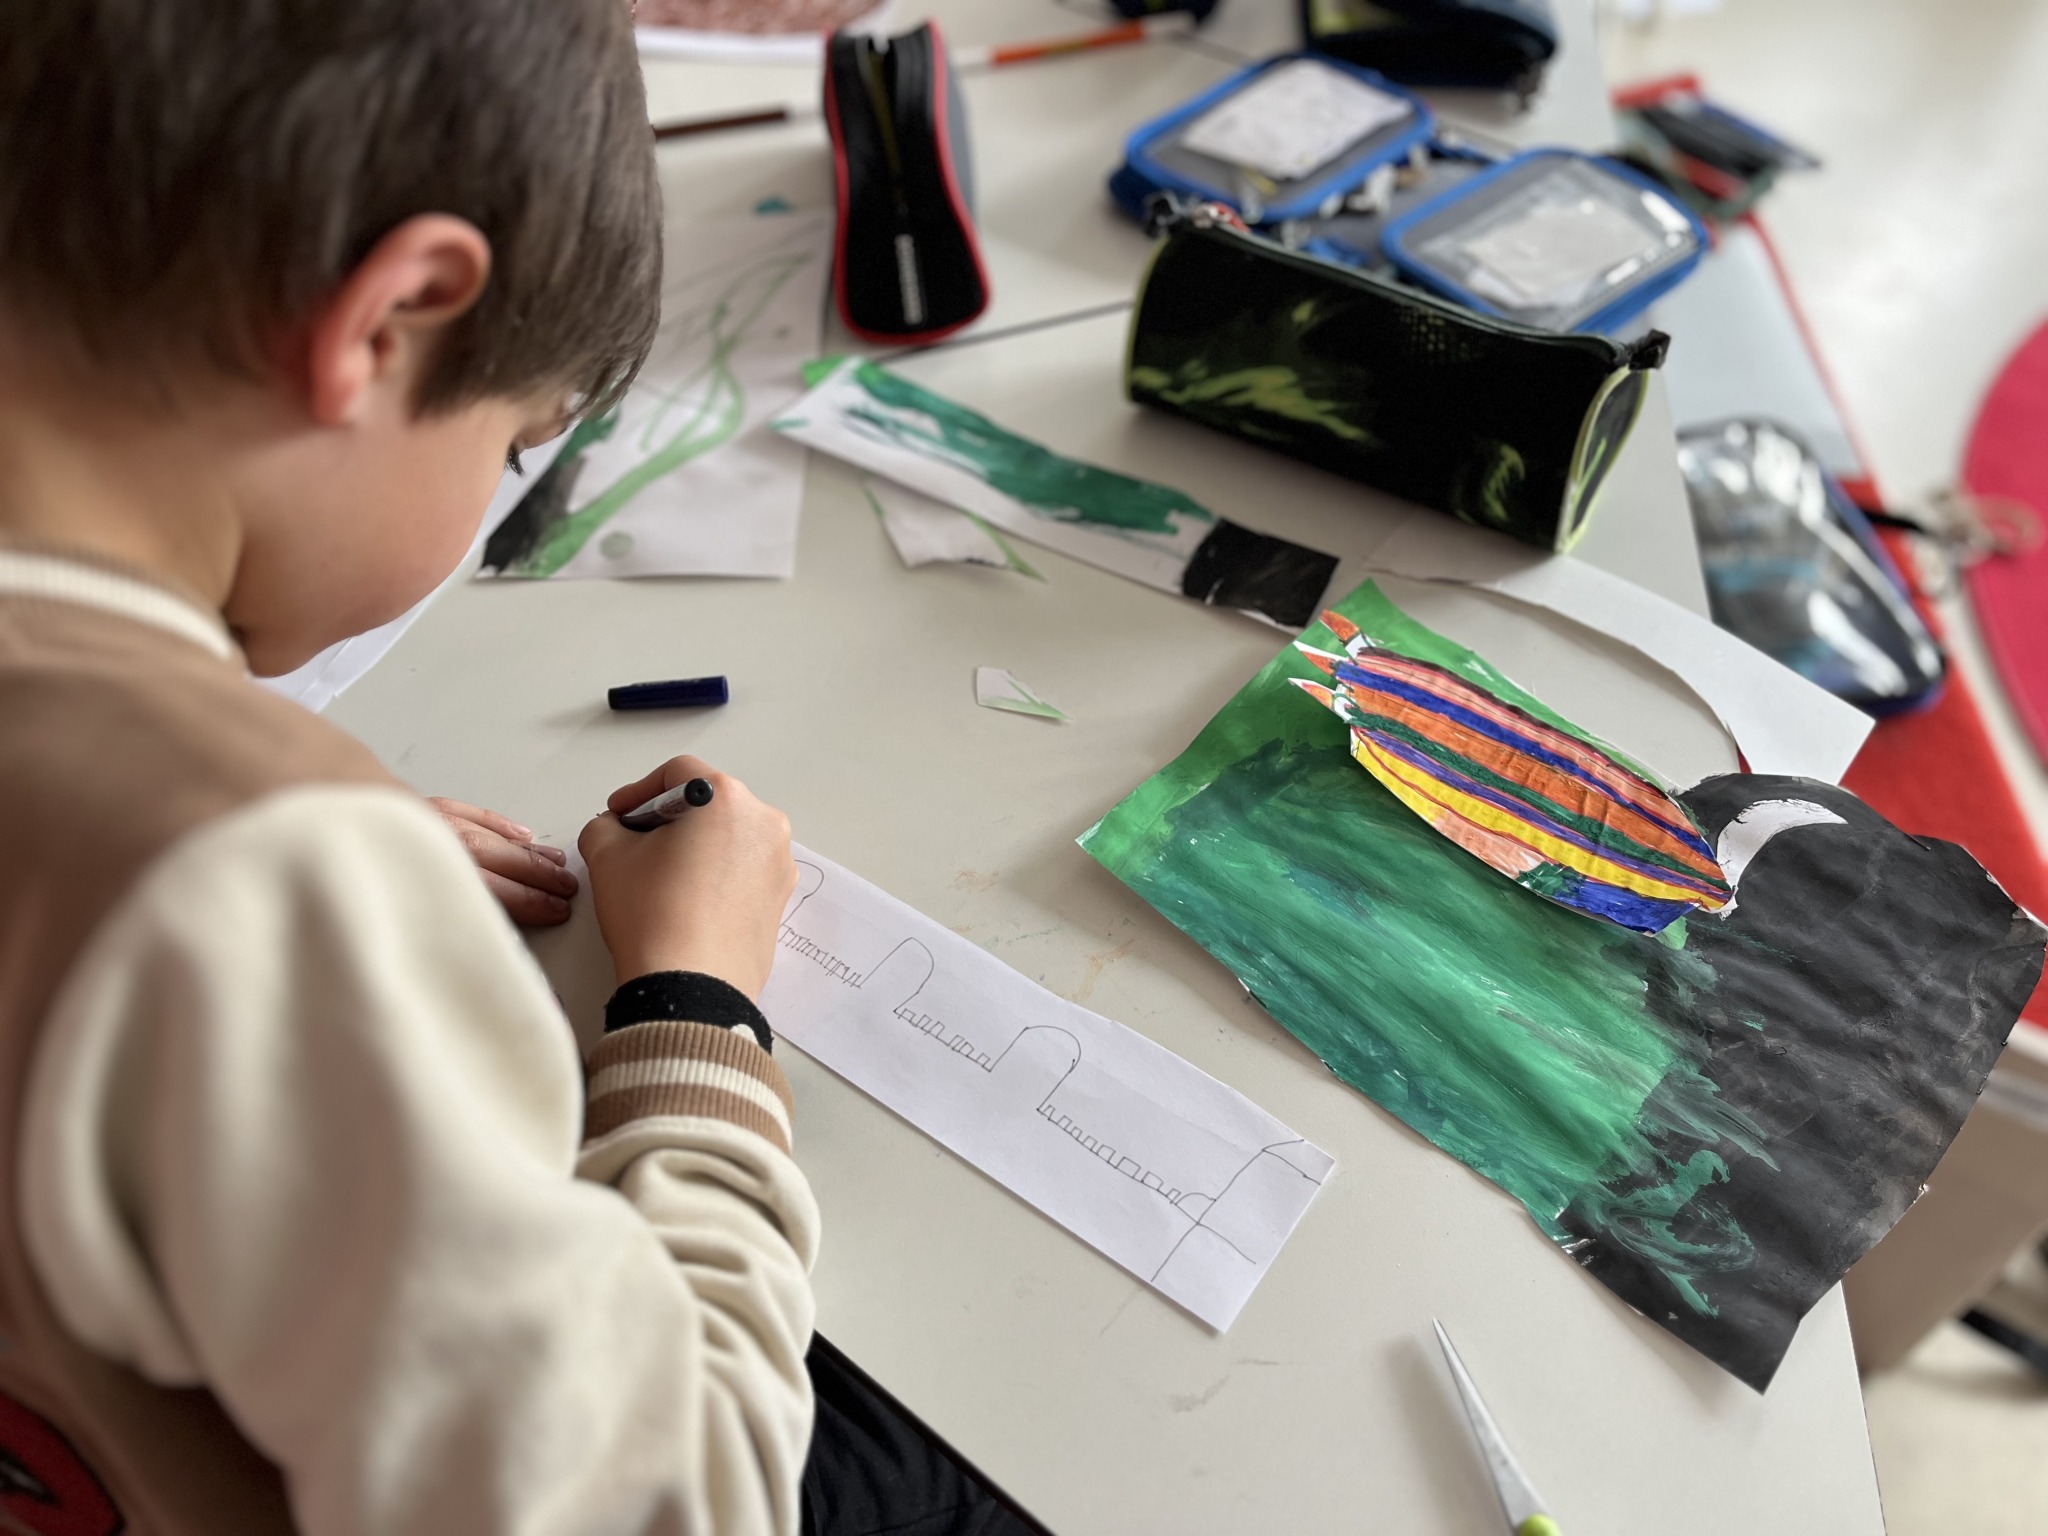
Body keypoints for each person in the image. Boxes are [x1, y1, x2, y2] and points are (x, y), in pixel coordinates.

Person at [0, 2, 822, 1531]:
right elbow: (680, 1502)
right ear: (389, 321)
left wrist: (248, 836)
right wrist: (696, 1009)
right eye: (514, 449)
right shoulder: (257, 888)